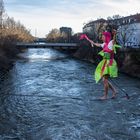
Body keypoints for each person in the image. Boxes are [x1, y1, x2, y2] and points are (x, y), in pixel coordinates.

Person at [89, 31, 121, 100]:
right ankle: (114, 91)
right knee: (104, 79)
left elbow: (114, 40)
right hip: (105, 62)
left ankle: (105, 96)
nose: (102, 37)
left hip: (110, 63)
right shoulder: (104, 44)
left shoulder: (110, 43)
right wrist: (93, 43)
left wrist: (114, 34)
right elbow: (98, 45)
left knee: (104, 80)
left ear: (106, 37)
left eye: (103, 36)